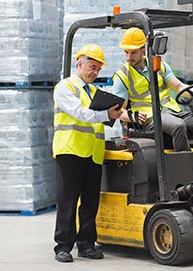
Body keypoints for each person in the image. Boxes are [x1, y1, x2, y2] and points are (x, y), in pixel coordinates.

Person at [52, 44, 122, 263]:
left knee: (90, 202)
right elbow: (80, 113)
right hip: (70, 151)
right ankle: (63, 246)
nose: (95, 72)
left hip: (92, 153)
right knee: (68, 201)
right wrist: (105, 114)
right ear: (79, 64)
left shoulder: (93, 92)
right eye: (92, 67)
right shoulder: (65, 87)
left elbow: (102, 116)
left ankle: (86, 245)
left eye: (98, 69)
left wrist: (124, 115)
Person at [113, 27, 193, 151]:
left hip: (171, 111)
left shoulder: (159, 65)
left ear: (143, 50)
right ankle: (184, 168)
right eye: (126, 52)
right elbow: (119, 110)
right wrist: (132, 117)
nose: (129, 57)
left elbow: (179, 87)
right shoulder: (122, 76)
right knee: (178, 126)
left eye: (133, 52)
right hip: (149, 118)